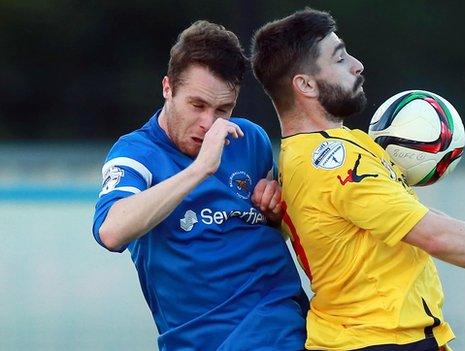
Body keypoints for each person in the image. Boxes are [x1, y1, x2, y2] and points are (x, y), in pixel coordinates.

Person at [250, 9, 465, 351]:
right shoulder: (330, 162)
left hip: (396, 339)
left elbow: (421, 219)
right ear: (306, 84)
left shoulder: (345, 144)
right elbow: (432, 234)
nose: (357, 64)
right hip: (374, 340)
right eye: (340, 59)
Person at [92, 20, 307, 350]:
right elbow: (111, 231)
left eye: (224, 109)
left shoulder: (250, 140)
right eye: (197, 105)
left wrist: (275, 209)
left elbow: (279, 226)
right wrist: (201, 169)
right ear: (168, 88)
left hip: (278, 325)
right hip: (197, 339)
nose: (210, 123)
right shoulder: (138, 152)